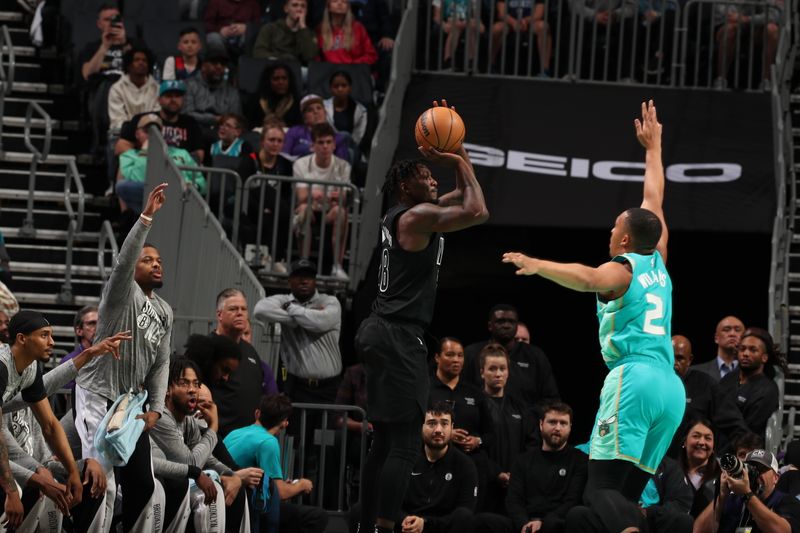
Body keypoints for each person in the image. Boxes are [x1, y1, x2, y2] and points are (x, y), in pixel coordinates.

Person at [503, 100, 683, 532]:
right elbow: (653, 197)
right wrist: (653, 148)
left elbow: (586, 278)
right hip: (671, 390)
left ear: (623, 237)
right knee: (620, 497)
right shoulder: (658, 258)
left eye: (613, 227)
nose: (609, 231)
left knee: (597, 490)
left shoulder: (621, 268)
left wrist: (537, 264)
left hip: (634, 380)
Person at [354, 99, 489, 533]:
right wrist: (454, 154)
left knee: (385, 442)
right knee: (406, 446)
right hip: (396, 335)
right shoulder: (417, 217)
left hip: (378, 331)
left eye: (433, 174)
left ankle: (366, 524)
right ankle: (386, 525)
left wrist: (459, 148)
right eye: (423, 175)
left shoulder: (409, 215)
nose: (432, 179)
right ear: (404, 187)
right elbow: (478, 210)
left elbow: (463, 195)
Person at [75, 184, 172, 532]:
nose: (156, 264)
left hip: (130, 405)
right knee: (97, 481)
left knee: (142, 486)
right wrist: (146, 218)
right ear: (134, 268)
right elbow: (124, 260)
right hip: (98, 394)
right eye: (148, 260)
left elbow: (162, 363)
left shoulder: (165, 311)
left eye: (159, 260)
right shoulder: (121, 292)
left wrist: (157, 408)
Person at [0, 311, 88, 529]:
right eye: (44, 335)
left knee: (40, 487)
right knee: (18, 492)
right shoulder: (1, 367)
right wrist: (12, 490)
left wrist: (73, 472)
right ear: (22, 339)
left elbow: (50, 425)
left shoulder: (30, 367)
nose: (52, 342)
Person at [150, 359, 258, 531]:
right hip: (159, 486)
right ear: (167, 389)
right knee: (210, 490)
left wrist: (232, 475)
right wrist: (213, 428)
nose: (193, 390)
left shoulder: (187, 420)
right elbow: (191, 463)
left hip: (179, 483)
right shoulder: (161, 416)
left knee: (236, 489)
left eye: (196, 383)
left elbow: (207, 459)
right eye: (184, 383)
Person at [224, 394, 329, 533]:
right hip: (244, 505)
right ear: (285, 423)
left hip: (226, 499)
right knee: (317, 517)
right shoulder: (268, 442)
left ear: (257, 414)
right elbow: (280, 493)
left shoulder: (235, 433)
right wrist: (301, 485)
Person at [428, 337, 493, 511]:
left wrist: (476, 441)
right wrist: (447, 435)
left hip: (471, 462)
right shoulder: (426, 389)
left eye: (460, 355)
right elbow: (416, 426)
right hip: (434, 462)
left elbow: (490, 433)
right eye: (450, 354)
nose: (456, 360)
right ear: (437, 357)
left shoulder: (474, 392)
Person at [463, 304, 559, 417]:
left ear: (517, 326)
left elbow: (552, 399)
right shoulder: (472, 353)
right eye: (500, 321)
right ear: (490, 325)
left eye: (511, 322)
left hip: (526, 426)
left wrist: (527, 417)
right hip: (481, 421)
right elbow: (462, 391)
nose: (506, 325)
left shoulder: (535, 355)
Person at [396, 401, 478, 533]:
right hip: (405, 527)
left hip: (442, 528)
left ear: (452, 427)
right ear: (421, 426)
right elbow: (390, 501)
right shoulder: (405, 459)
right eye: (432, 423)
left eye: (444, 423)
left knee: (465, 516)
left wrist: (426, 524)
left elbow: (466, 510)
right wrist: (405, 520)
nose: (438, 430)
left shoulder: (465, 465)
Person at [211, 288, 279, 437]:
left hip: (247, 441)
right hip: (217, 440)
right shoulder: (206, 348)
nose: (240, 313)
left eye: (243, 309)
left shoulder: (251, 351)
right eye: (233, 309)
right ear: (219, 315)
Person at [479, 343, 539, 513]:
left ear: (508, 371)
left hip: (517, 486)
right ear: (482, 372)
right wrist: (496, 473)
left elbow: (532, 444)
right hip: (485, 486)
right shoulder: (475, 405)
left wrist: (518, 474)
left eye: (502, 369)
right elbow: (473, 448)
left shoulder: (520, 407)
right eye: (492, 369)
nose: (498, 374)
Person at [670, 334, 747, 456]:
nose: (674, 363)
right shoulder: (651, 384)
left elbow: (736, 428)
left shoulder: (706, 385)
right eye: (669, 357)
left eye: (679, 358)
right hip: (656, 462)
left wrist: (717, 459)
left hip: (695, 464)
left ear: (689, 360)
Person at [292, 123, 353, 277]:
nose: (325, 146)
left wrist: (316, 192)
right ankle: (304, 263)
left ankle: (337, 266)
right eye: (320, 142)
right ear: (313, 145)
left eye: (328, 142)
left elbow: (343, 197)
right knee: (303, 210)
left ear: (334, 145)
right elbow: (302, 197)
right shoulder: (301, 164)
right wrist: (326, 193)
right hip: (310, 209)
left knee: (340, 211)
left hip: (330, 211)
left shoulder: (343, 166)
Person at [78, 3, 138, 155]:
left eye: (115, 19)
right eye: (107, 20)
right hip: (102, 93)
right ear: (99, 24)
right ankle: (106, 142)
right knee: (109, 85)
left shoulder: (135, 45)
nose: (112, 23)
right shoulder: (92, 47)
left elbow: (141, 68)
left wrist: (124, 44)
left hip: (131, 90)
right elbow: (87, 74)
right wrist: (105, 47)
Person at [693, 449, 800, 532]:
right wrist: (721, 496)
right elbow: (699, 531)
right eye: (751, 469)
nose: (755, 474)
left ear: (775, 478)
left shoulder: (787, 501)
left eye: (761, 469)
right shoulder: (733, 500)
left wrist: (747, 495)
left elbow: (783, 531)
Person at [116, 114, 202, 217]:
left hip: (178, 195)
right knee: (123, 186)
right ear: (137, 133)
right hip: (146, 196)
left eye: (156, 131)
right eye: (147, 131)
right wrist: (145, 152)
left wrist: (194, 186)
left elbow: (201, 182)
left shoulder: (181, 153)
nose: (152, 135)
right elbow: (138, 178)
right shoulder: (129, 156)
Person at [116, 80, 206, 162]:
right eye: (168, 96)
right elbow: (120, 147)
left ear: (183, 100)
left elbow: (199, 155)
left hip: (180, 173)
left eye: (177, 96)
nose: (173, 100)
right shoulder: (143, 119)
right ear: (159, 100)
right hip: (146, 170)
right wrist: (144, 157)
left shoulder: (191, 123)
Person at [718, 327, 781, 439]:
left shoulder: (768, 390)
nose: (746, 354)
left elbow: (749, 432)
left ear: (764, 357)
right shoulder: (729, 378)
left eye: (753, 350)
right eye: (742, 349)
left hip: (742, 448)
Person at [184, 45, 242, 139]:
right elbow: (186, 114)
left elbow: (235, 120)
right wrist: (214, 119)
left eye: (222, 64)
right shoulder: (189, 85)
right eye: (214, 63)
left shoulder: (232, 92)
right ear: (203, 66)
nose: (219, 66)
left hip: (221, 135)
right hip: (193, 132)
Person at [107, 46, 159, 134]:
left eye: (144, 60)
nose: (141, 63)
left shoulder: (157, 88)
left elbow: (156, 118)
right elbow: (117, 121)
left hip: (150, 134)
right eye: (137, 60)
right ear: (129, 65)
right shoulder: (116, 89)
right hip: (123, 134)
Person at [283, 94, 351, 160]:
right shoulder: (294, 131)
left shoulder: (337, 137)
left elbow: (341, 163)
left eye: (319, 108)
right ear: (304, 118)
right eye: (310, 110)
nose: (316, 112)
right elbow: (284, 155)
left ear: (325, 113)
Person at [677, 418, 720, 517]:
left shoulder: (722, 476)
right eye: (696, 436)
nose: (701, 442)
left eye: (708, 438)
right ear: (684, 442)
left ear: (713, 446)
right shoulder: (670, 472)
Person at [253, 0, 319, 64]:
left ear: (306, 11)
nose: (299, 9)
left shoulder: (309, 34)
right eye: (295, 5)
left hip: (298, 71)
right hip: (272, 66)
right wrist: (282, 59)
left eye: (303, 6)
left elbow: (310, 57)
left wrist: (302, 26)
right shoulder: (270, 29)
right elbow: (258, 52)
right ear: (286, 8)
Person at [245, 63, 303, 128]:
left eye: (284, 78)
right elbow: (248, 126)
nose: (281, 82)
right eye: (276, 79)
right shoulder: (255, 101)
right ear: (268, 81)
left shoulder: (297, 102)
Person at [431, 0, 485, 70]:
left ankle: (471, 63)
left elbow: (476, 16)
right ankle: (448, 62)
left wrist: (479, 24)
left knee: (470, 27)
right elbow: (437, 17)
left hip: (466, 23)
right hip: (449, 23)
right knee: (455, 28)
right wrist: (444, 25)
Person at [691, 316, 745, 383]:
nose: (732, 334)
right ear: (716, 338)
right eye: (726, 329)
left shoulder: (752, 373)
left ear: (744, 337)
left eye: (737, 330)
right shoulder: (696, 372)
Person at [323, 70, 369, 147]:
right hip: (326, 146)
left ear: (350, 88)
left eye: (344, 86)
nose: (340, 89)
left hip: (349, 148)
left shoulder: (361, 111)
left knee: (345, 136)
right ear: (330, 88)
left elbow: (357, 138)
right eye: (336, 86)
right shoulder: (322, 107)